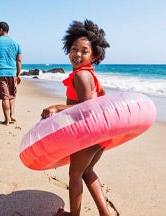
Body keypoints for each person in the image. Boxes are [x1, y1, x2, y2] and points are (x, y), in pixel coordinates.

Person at [40, 20, 110, 216]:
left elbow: (86, 109)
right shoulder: (90, 74)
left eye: (84, 51)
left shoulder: (81, 76)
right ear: (68, 48)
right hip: (100, 134)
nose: (77, 54)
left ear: (94, 55)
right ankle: (105, 213)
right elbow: (102, 96)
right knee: (88, 172)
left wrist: (56, 107)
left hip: (87, 134)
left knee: (75, 174)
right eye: (74, 49)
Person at [0, 21, 22, 126]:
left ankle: (6, 120)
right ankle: (12, 114)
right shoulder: (16, 43)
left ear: (1, 29)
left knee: (5, 97)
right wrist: (18, 74)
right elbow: (19, 60)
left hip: (0, 72)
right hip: (12, 72)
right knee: (12, 95)